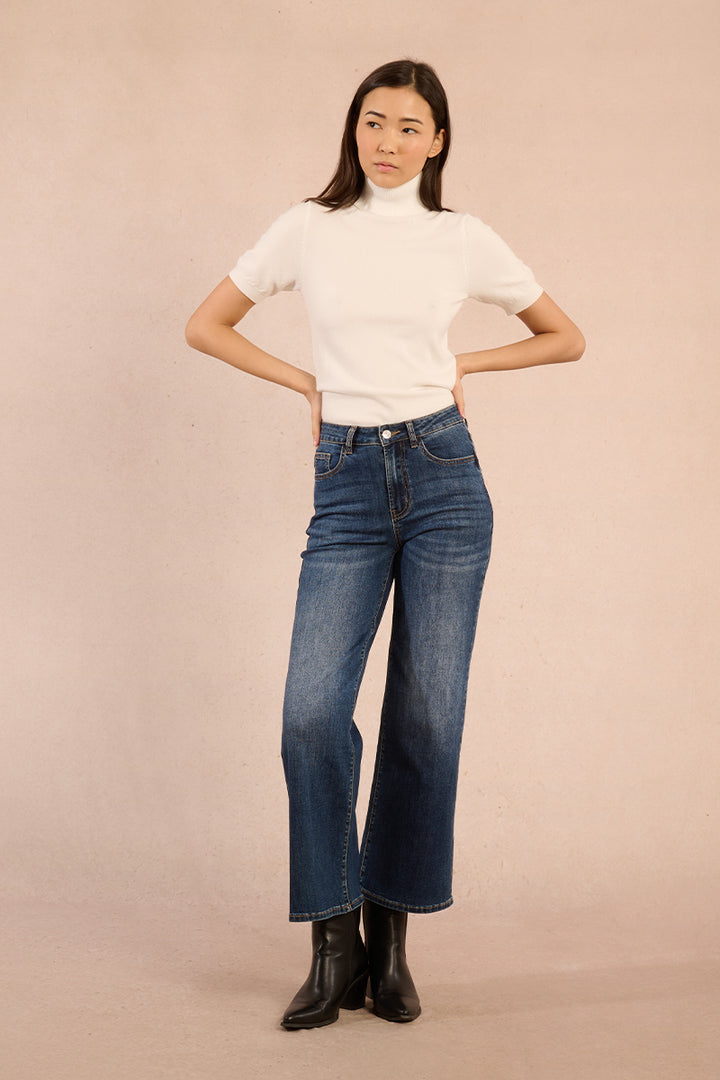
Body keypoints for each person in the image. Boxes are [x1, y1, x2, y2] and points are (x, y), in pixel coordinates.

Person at [186, 58, 584, 1031]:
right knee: (311, 713)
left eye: (410, 126)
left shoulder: (462, 239)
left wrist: (462, 363)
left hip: (447, 480)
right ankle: (334, 946)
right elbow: (207, 324)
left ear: (438, 140)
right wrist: (307, 384)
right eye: (374, 121)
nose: (389, 141)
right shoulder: (308, 228)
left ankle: (392, 944)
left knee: (426, 720)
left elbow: (564, 336)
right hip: (349, 479)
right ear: (353, 128)